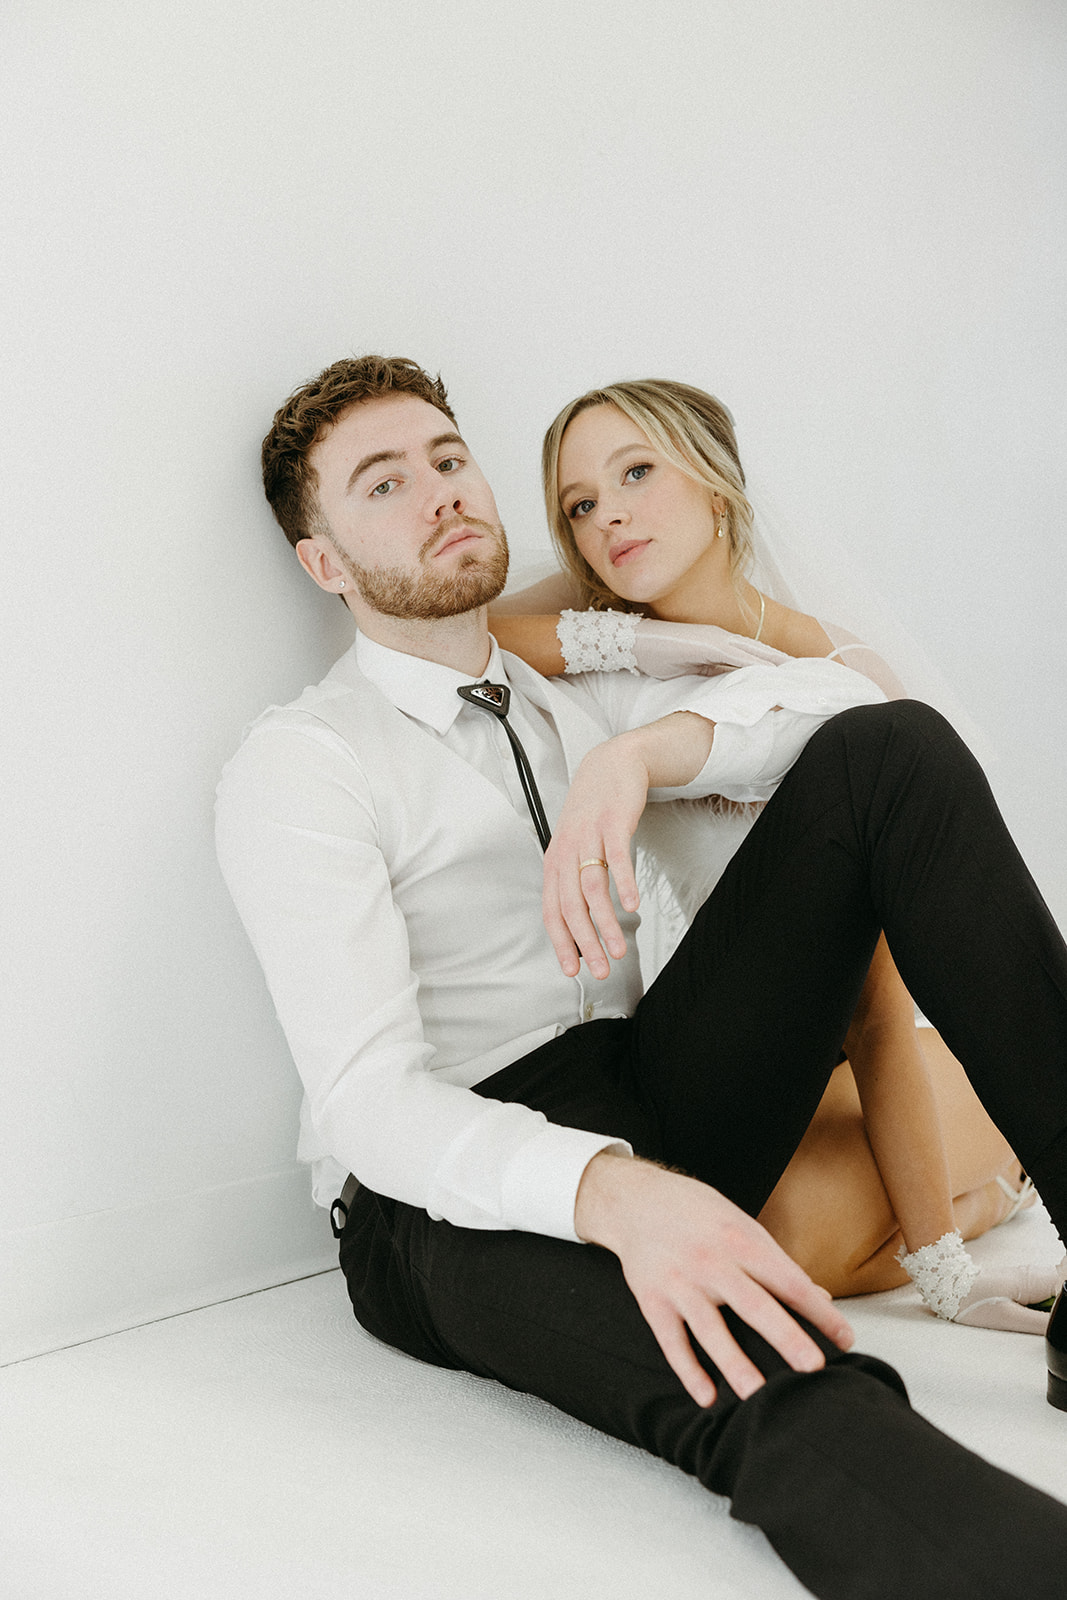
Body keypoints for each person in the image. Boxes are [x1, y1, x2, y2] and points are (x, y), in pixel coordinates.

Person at [216, 354, 1067, 1600]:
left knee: (893, 755)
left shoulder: (571, 710)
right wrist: (604, 1192)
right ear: (324, 562)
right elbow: (365, 1101)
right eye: (383, 483)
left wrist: (635, 762)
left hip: (646, 1082)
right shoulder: (303, 762)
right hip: (443, 1198)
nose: (438, 491)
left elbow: (839, 701)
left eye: (449, 458)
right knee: (758, 1368)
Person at [489, 377, 1053, 1321]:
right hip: (737, 1061)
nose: (608, 517)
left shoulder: (841, 680)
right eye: (578, 506)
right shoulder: (605, 649)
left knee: (801, 1227)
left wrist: (941, 1272)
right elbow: (469, 631)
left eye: (636, 472)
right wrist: (653, 646)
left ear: (716, 484)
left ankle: (1004, 1180)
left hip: (867, 1049)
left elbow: (875, 1013)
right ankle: (986, 1181)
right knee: (759, 1232)